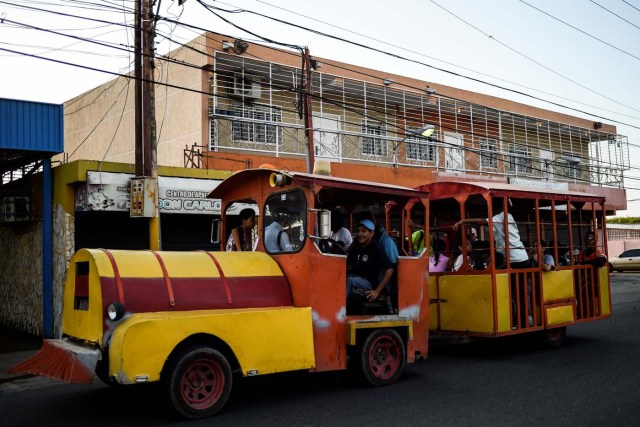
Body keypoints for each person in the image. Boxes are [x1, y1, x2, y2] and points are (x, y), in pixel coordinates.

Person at [453, 199, 530, 268]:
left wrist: (463, 221)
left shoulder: (501, 216)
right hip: (520, 257)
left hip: (515, 260)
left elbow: (482, 221)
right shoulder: (507, 217)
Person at [346, 219, 394, 302]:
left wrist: (377, 291)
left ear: (371, 233)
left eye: (363, 231)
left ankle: (339, 308)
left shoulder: (376, 248)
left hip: (369, 283)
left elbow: (389, 270)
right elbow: (347, 260)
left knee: (350, 280)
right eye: (358, 231)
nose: (360, 233)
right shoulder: (357, 245)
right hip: (356, 277)